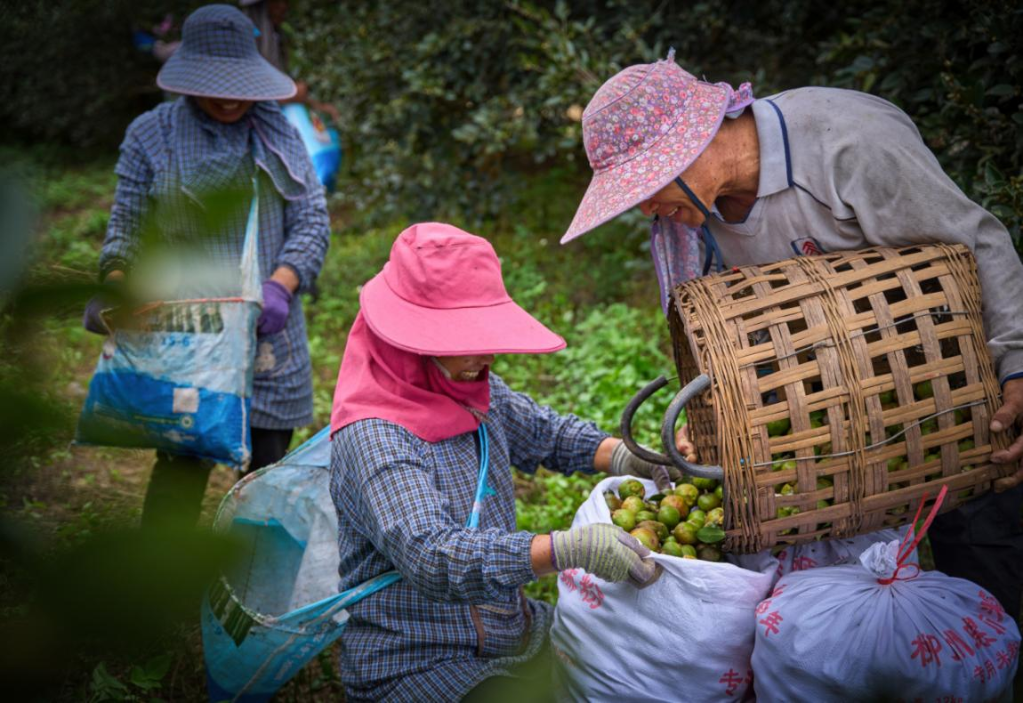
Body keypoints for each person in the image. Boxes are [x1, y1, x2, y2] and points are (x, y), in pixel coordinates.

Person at [561, 51, 1023, 619]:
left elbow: (976, 245)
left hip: (941, 374)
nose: (645, 209)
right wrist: (714, 420)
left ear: (689, 145)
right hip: (838, 408)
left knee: (978, 535)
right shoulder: (698, 226)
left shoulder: (847, 144)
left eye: (647, 186)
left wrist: (1016, 365)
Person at [329, 222, 679, 702]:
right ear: (413, 341)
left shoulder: (468, 387)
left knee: (636, 661)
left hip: (511, 632)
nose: (488, 355)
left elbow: (545, 433)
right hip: (418, 660)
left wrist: (625, 456)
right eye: (467, 339)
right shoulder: (375, 436)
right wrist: (564, 550)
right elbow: (433, 556)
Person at [83, 4, 330, 528]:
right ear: (189, 77)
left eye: (238, 84)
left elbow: (312, 220)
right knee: (181, 467)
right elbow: (127, 227)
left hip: (270, 339)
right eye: (215, 84)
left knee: (269, 481)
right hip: (189, 337)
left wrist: (281, 285)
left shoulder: (279, 134)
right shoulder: (152, 136)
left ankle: (255, 579)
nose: (229, 97)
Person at [238, 0, 341, 124]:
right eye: (278, 2)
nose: (283, 7)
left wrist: (319, 106)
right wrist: (290, 94)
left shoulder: (274, 39)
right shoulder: (244, 42)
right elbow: (243, 96)